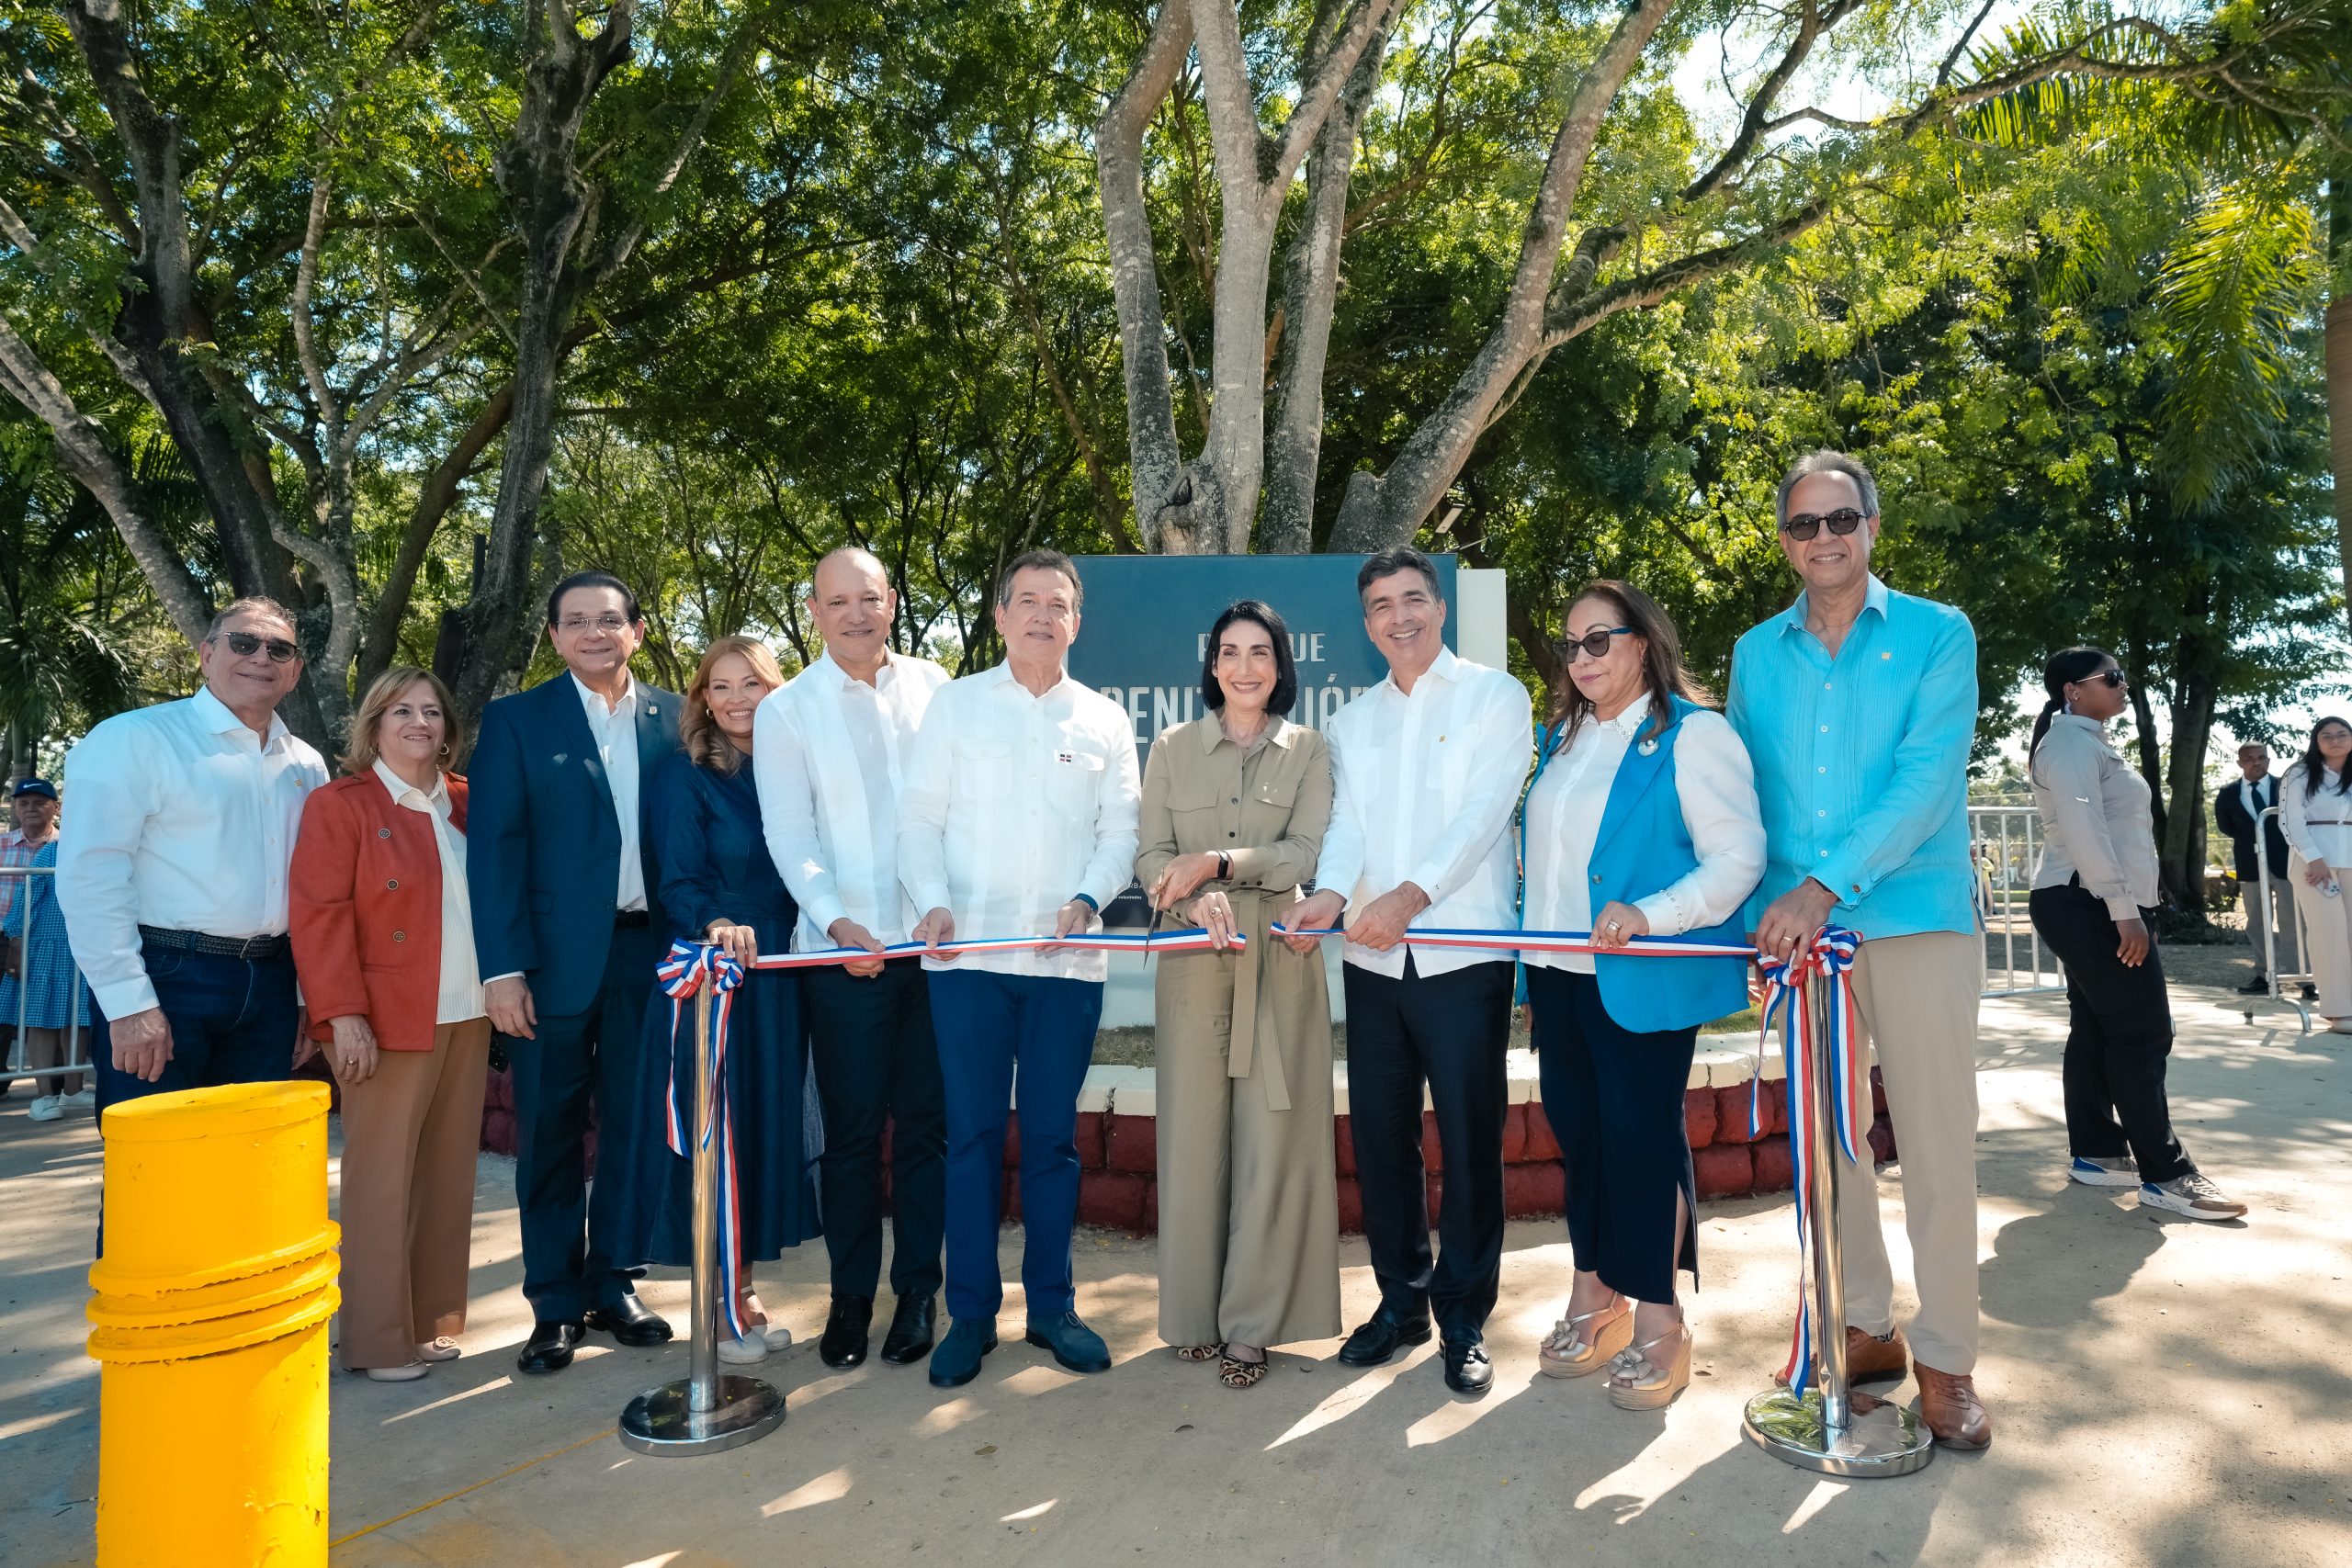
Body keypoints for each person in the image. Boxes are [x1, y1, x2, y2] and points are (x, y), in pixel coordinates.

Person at [1724, 450, 1990, 1450]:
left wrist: (1819, 886)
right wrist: (1766, 914)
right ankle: (1866, 1330)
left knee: (1933, 1144)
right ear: (1785, 541)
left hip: (1912, 917)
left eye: (1841, 520)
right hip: (1801, 941)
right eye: (1804, 525)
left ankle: (1949, 1359)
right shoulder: (1756, 653)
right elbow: (1750, 796)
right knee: (1828, 1150)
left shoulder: (1936, 633)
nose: (1824, 538)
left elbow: (1926, 783)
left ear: (1872, 527)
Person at [1285, 547, 1532, 1399]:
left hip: (1462, 952)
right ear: (1366, 622)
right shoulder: (1352, 720)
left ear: (1441, 605)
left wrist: (1410, 895)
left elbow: (1482, 814)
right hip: (1371, 956)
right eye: (1382, 604)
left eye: (1414, 599)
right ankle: (1400, 1303)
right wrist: (1327, 897)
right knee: (1382, 1141)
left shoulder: (1498, 697)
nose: (1400, 616)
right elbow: (1347, 826)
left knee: (1469, 1141)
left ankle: (1463, 1314)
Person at [897, 549, 1141, 1390]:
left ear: (1078, 621)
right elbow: (919, 823)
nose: (1043, 615)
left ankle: (1052, 1309)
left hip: (1066, 965)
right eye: (1027, 601)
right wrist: (930, 901)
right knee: (967, 1137)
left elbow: (1120, 834)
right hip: (964, 962)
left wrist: (1088, 894)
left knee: (1049, 1140)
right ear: (999, 616)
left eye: (1059, 603)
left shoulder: (1105, 721)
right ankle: (969, 1314)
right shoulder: (956, 708)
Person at [1520, 582, 1763, 1409]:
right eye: (1570, 645)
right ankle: (1597, 1295)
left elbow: (1738, 859)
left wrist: (1650, 915)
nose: (1581, 658)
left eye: (1599, 640)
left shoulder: (1695, 735)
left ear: (1643, 641)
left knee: (1641, 1141)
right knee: (1581, 1140)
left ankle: (1661, 1317)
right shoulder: (1561, 737)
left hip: (1641, 977)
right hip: (1557, 978)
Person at [469, 571, 683, 1374]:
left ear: (635, 629)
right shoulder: (518, 720)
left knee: (634, 1130)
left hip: (650, 956)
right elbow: (496, 852)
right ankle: (554, 1303)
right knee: (550, 1136)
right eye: (575, 621)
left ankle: (615, 1282)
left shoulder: (676, 717)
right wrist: (503, 969)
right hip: (549, 965)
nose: (594, 632)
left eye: (609, 619)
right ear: (555, 636)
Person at [1136, 600, 1340, 1390]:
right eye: (1230, 652)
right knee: (1193, 1140)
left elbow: (1303, 853)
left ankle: (1252, 1326)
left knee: (1272, 1142)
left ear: (1281, 665)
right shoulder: (1172, 747)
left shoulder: (1311, 750)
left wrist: (1219, 862)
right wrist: (1189, 897)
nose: (1245, 666)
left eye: (1261, 652)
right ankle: (1193, 1313)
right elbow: (1153, 854)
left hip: (1280, 960)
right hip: (1194, 957)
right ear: (1212, 664)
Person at [755, 547, 950, 1371]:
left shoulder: (938, 687)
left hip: (935, 954)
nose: (856, 614)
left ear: (893, 602)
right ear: (813, 611)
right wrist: (837, 927)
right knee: (849, 1139)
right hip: (844, 961)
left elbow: (955, 811)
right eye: (838, 602)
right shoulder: (787, 710)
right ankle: (849, 1300)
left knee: (926, 1135)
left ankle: (917, 1294)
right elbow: (790, 838)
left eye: (869, 598)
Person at [289, 668, 493, 1382]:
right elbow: (319, 916)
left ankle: (430, 1318)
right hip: (385, 1019)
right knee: (381, 1182)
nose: (420, 723)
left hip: (471, 1013)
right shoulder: (339, 804)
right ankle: (376, 1340)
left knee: (445, 1175)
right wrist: (342, 1015)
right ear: (374, 722)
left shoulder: (468, 801)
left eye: (433, 711)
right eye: (402, 710)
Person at [619, 637, 819, 1364]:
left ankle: (745, 1294)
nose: (737, 699)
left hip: (780, 974)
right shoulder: (683, 775)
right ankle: (718, 1311)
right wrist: (716, 924)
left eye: (754, 685)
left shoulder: (789, 770)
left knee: (760, 1135)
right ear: (701, 697)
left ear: (778, 692)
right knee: (718, 1141)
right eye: (722, 687)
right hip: (719, 979)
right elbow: (676, 879)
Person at [57, 599, 327, 1126]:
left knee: (245, 1173)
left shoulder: (307, 764)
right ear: (206, 655)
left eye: (279, 649)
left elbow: (313, 890)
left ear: (294, 672)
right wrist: (129, 1003)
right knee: (154, 1178)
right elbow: (92, 875)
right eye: (243, 642)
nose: (261, 658)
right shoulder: (134, 738)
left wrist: (301, 997)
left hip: (272, 982)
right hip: (166, 976)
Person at [2025, 649, 2247, 1221]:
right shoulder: (2071, 743)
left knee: (2099, 1027)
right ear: (2073, 690)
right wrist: (2124, 910)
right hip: (2090, 900)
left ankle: (2098, 1153)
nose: (2125, 686)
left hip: (2088, 900)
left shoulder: (2089, 742)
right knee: (2144, 1031)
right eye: (2113, 678)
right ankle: (2167, 1175)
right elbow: (2084, 830)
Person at [2, 778, 91, 1120]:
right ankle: (44, 1096)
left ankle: (73, 1090)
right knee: (40, 1019)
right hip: (43, 943)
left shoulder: (94, 845)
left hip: (81, 944)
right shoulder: (53, 850)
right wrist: (16, 937)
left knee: (77, 1017)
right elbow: (27, 894)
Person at [2278, 716, 2352, 1037]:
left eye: (2342, 734)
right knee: (2330, 934)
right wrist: (2315, 859)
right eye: (2327, 736)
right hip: (2314, 865)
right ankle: (2338, 1011)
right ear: (2316, 741)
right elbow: (2290, 821)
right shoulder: (2299, 773)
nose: (2335, 740)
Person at [2213, 742, 2293, 995]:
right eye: (2249, 759)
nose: (2256, 762)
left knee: (2294, 922)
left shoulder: (2285, 788)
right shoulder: (2228, 793)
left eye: (2261, 758)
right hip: (2250, 865)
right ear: (2240, 763)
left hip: (2285, 864)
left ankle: (2303, 978)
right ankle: (2263, 975)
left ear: (2269, 760)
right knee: (2257, 922)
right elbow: (2227, 826)